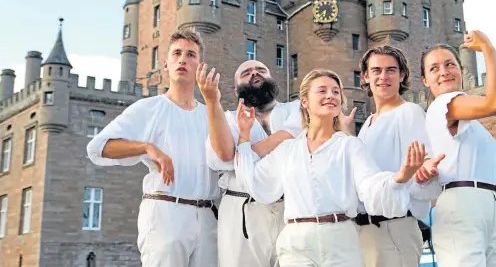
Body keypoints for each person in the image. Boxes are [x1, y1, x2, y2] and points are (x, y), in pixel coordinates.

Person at [234, 69, 427, 267]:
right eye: (322, 90)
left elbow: (370, 185)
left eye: (336, 92)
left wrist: (401, 177)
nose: (330, 96)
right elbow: (254, 179)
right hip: (296, 244)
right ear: (305, 101)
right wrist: (244, 135)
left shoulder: (350, 146)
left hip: (340, 242)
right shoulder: (287, 150)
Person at [86, 26, 220, 267]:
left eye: (191, 55)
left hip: (209, 217)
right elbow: (99, 148)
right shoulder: (149, 109)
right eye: (177, 53)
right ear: (166, 64)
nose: (183, 59)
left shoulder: (211, 115)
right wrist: (147, 147)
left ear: (200, 65)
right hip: (166, 213)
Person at [419, 31, 496, 267]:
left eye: (450, 64)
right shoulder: (443, 105)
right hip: (462, 204)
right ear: (425, 81)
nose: (444, 71)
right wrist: (488, 49)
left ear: (461, 70)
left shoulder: (470, 122)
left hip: (490, 202)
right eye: (434, 68)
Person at [198, 60, 302, 267]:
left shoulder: (297, 108)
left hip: (292, 207)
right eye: (246, 72)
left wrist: (243, 151)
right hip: (242, 209)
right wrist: (212, 103)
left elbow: (294, 136)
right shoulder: (226, 119)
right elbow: (223, 156)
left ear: (272, 79)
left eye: (261, 70)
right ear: (236, 91)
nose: (255, 73)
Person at [356, 45, 445, 267]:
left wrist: (424, 172)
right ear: (366, 76)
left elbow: (422, 169)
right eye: (376, 70)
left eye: (391, 70)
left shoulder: (409, 112)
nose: (383, 76)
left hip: (395, 228)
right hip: (366, 231)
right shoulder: (368, 123)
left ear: (402, 74)